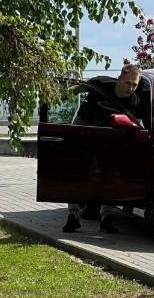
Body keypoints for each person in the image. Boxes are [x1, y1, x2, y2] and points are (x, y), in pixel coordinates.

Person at [62, 64, 143, 234]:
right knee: (78, 172)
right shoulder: (101, 83)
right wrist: (60, 96)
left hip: (108, 135)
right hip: (84, 127)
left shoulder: (134, 102)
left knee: (110, 174)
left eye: (134, 85)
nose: (131, 88)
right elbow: (75, 90)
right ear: (119, 78)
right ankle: (73, 216)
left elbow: (137, 125)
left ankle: (106, 218)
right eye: (128, 83)